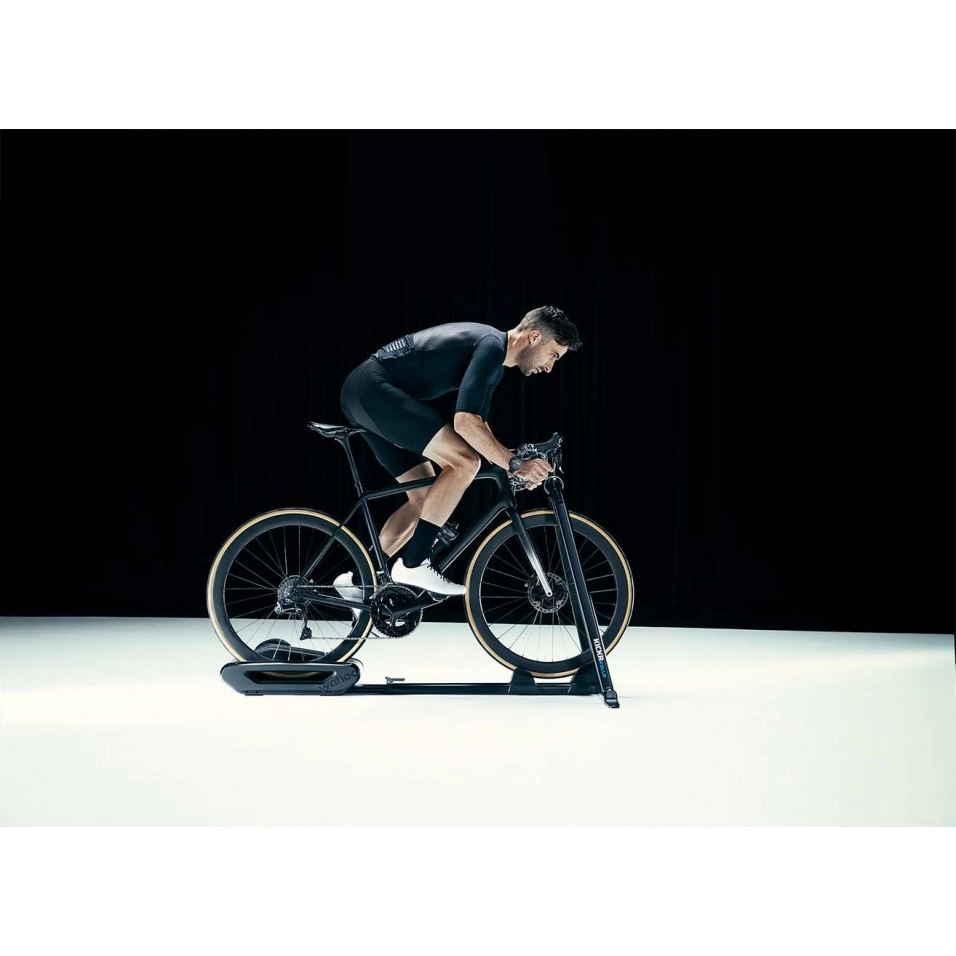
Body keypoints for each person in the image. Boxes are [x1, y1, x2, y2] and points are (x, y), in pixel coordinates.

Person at [335, 305, 583, 601]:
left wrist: (511, 465)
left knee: (425, 499)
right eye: (553, 355)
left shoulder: (493, 354)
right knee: (465, 462)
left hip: (366, 392)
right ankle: (414, 563)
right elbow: (464, 423)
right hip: (373, 389)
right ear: (534, 337)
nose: (550, 367)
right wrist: (514, 464)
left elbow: (480, 427)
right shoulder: (491, 345)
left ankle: (356, 580)